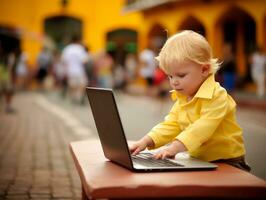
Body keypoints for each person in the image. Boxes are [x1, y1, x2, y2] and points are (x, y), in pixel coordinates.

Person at [129, 30, 250, 172]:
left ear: (204, 69)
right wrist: (146, 141)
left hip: (228, 162)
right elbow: (171, 124)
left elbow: (203, 127)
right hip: (200, 160)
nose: (174, 82)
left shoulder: (217, 96)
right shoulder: (183, 97)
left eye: (180, 75)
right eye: (170, 76)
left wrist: (175, 147)